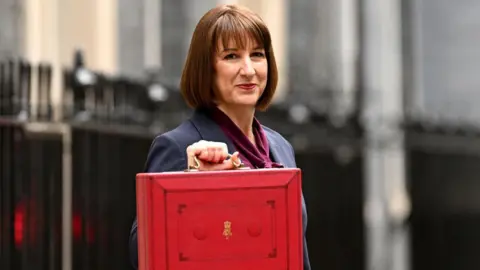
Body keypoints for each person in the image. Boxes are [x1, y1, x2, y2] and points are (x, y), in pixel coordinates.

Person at [129, 4, 311, 269]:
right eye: (231, 56)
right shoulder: (177, 146)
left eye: (257, 54)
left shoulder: (280, 147)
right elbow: (141, 256)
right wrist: (190, 185)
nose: (248, 70)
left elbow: (297, 255)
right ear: (207, 68)